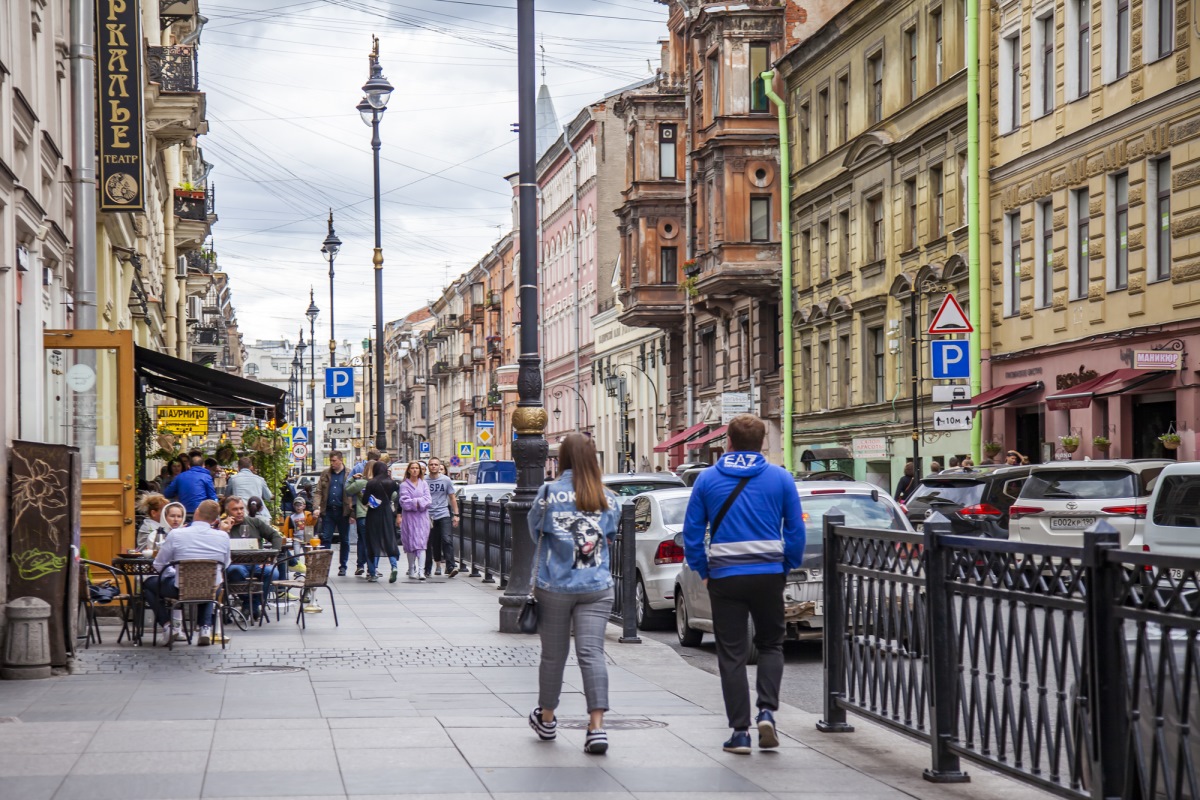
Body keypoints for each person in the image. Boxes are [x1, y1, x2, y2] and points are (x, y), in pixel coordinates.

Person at [682, 414, 805, 754]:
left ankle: (739, 732)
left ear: (729, 442)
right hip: (768, 573)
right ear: (762, 443)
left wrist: (702, 568)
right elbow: (795, 531)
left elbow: (692, 533)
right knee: (771, 644)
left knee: (732, 654)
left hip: (725, 576)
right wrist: (787, 564)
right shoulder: (780, 478)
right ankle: (766, 711)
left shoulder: (707, 480)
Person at [527, 433, 620, 755]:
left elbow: (533, 531)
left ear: (562, 458)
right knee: (592, 655)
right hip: (596, 586)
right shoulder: (608, 496)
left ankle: (548, 718)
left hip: (555, 585)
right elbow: (609, 533)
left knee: (553, 656)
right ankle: (596, 727)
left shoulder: (548, 492)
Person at [144, 499, 230, 646]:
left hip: (180, 589)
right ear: (215, 519)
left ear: (196, 512)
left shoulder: (176, 534)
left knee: (147, 585)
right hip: (210, 590)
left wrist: (172, 574)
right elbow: (226, 564)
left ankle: (167, 625)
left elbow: (159, 564)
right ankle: (205, 627)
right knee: (212, 583)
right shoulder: (223, 536)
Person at [219, 496, 283, 619]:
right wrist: (224, 531)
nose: (239, 512)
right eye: (235, 509)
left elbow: (276, 536)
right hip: (235, 564)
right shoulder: (223, 526)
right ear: (227, 512)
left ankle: (250, 606)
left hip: (257, 563)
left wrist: (271, 559)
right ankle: (251, 605)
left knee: (272, 573)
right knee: (234, 571)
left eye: (241, 508)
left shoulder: (254, 522)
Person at [313, 451, 353, 576]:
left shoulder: (349, 473)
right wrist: (316, 507)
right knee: (326, 538)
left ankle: (343, 566)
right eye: (331, 461)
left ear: (341, 460)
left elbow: (353, 493)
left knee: (344, 540)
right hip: (328, 511)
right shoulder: (326, 473)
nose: (332, 463)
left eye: (334, 461)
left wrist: (352, 513)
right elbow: (318, 491)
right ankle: (324, 566)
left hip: (343, 511)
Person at [362, 461, 402, 583]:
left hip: (373, 514)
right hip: (387, 514)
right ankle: (394, 566)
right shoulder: (392, 483)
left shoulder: (371, 483)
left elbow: (364, 501)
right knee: (390, 540)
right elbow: (398, 498)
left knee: (372, 541)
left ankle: (373, 572)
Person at [424, 457, 460, 578]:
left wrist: (456, 515)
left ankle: (450, 566)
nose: (433, 466)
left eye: (435, 464)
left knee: (447, 539)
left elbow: (452, 498)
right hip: (428, 515)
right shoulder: (423, 481)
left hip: (443, 513)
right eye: (431, 464)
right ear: (428, 467)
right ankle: (428, 567)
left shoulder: (446, 480)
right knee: (430, 542)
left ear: (440, 467)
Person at [398, 462, 431, 579]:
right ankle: (411, 568)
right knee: (411, 543)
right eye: (412, 468)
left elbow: (428, 500)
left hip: (422, 518)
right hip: (409, 518)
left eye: (417, 468)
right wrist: (418, 502)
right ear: (408, 470)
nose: (415, 470)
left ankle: (421, 571)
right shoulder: (404, 485)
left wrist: (415, 502)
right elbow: (404, 502)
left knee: (421, 544)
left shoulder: (424, 484)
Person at [344, 462, 374, 577]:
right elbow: (394, 494)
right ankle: (371, 569)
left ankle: (360, 565)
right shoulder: (377, 483)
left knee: (362, 540)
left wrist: (352, 479)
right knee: (370, 542)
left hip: (361, 515)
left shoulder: (360, 483)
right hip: (374, 516)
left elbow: (347, 489)